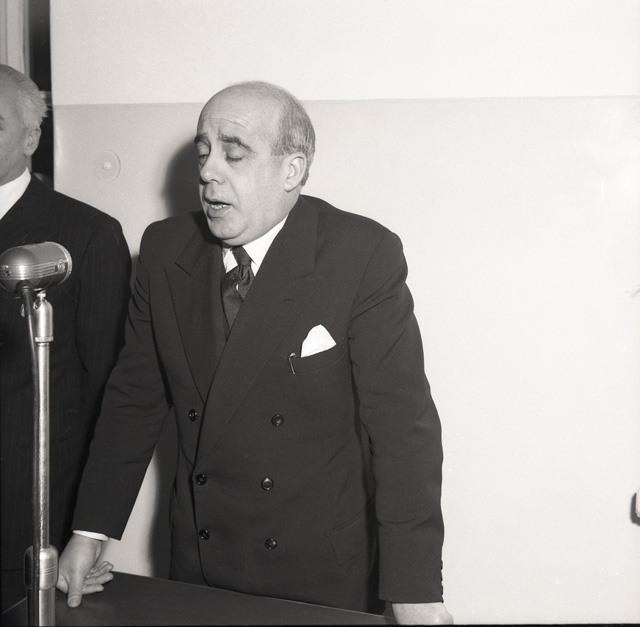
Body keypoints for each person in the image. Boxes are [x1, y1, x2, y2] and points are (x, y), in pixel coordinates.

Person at [57, 81, 452, 624]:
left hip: (318, 569)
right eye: (203, 153)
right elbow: (134, 399)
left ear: (292, 170)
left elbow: (402, 427)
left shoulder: (360, 254)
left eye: (233, 153)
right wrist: (89, 531)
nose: (208, 172)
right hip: (201, 559)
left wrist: (413, 585)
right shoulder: (165, 249)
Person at [0, 64, 131, 611]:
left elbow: (108, 393)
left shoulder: (87, 233)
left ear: (31, 138)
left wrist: (84, 530)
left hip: (26, 517)